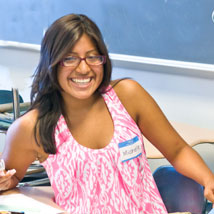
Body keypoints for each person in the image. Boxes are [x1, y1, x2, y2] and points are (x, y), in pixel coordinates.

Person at [0, 13, 213, 214]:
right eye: (70, 58)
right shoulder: (31, 127)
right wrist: (5, 180)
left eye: (93, 57)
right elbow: (12, 176)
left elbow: (176, 150)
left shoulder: (128, 96)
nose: (83, 69)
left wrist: (208, 179)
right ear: (51, 62)